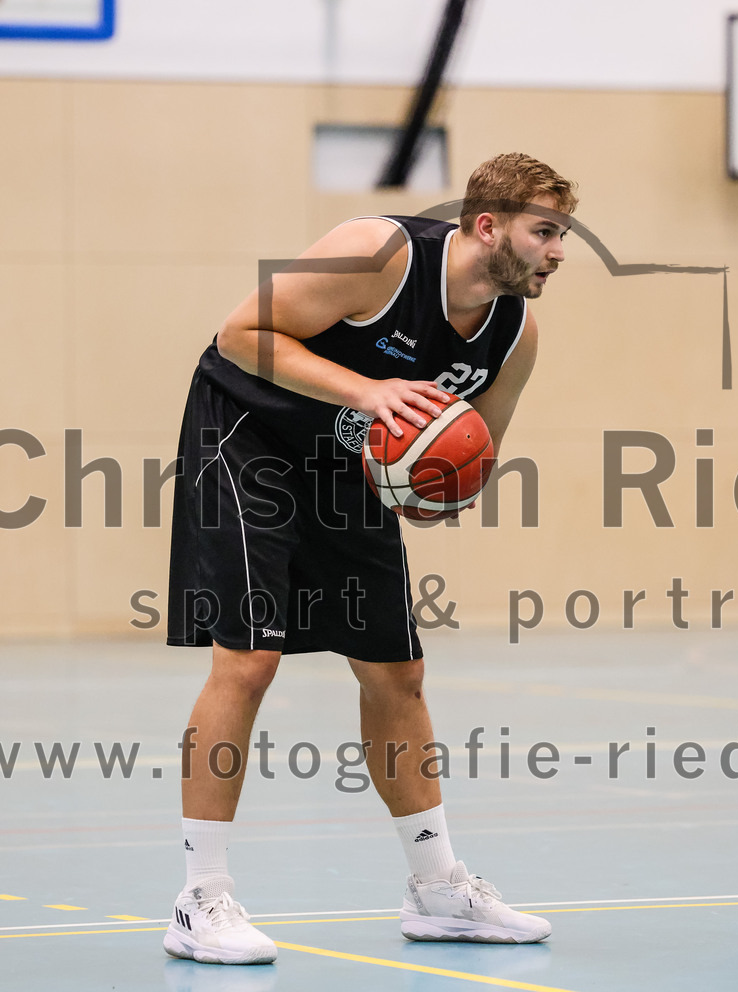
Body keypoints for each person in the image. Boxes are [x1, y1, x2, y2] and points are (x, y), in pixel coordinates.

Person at [162, 152, 578, 965]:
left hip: (349, 459)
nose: (559, 252)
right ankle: (198, 901)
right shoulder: (380, 254)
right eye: (546, 232)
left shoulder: (515, 335)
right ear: (487, 226)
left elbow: (475, 453)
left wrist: (436, 483)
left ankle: (440, 891)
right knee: (248, 663)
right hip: (247, 439)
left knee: (397, 672)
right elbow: (240, 334)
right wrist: (367, 393)